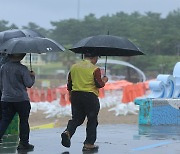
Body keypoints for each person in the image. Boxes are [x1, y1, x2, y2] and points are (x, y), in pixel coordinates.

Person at [61, 53, 108, 152]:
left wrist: (70, 94)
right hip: (90, 96)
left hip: (76, 95)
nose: (96, 60)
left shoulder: (74, 67)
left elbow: (69, 83)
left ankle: (68, 132)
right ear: (93, 57)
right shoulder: (95, 69)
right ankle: (89, 144)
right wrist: (104, 80)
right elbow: (99, 84)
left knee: (76, 119)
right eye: (96, 58)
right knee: (92, 120)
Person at [0, 53, 35, 151]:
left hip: (6, 99)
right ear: (19, 56)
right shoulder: (22, 68)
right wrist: (32, 76)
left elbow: (1, 84)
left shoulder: (3, 67)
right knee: (23, 121)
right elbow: (29, 84)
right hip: (21, 100)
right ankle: (23, 143)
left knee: (4, 121)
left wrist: (5, 93)